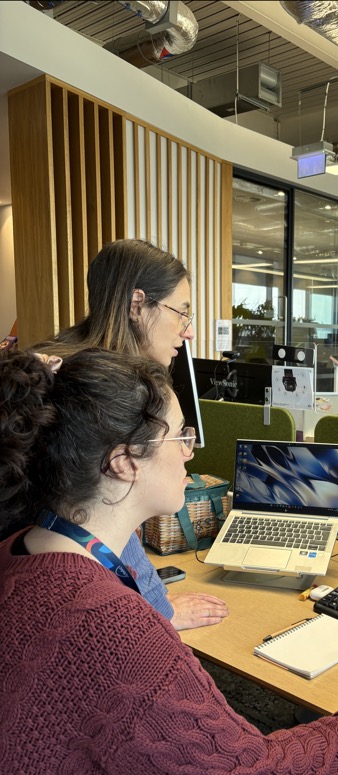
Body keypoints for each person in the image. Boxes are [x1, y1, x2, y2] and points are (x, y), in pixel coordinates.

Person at [0, 348, 338, 775]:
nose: (190, 450)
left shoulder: (18, 550)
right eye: (180, 435)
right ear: (125, 462)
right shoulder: (108, 626)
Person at [31, 238, 227, 631]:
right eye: (181, 313)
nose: (187, 333)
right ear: (138, 304)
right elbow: (98, 519)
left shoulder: (63, 361)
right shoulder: (92, 390)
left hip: (33, 578)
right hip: (61, 598)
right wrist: (161, 611)